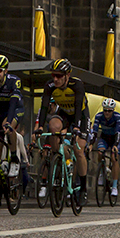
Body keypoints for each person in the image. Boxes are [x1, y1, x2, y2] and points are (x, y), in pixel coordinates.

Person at [35, 58, 88, 200]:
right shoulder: (50, 86)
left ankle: (83, 187)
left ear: (67, 75)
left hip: (80, 115)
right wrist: (40, 126)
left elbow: (78, 106)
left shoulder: (77, 85)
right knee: (53, 126)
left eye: (59, 76)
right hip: (64, 112)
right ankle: (58, 157)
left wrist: (76, 127)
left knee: (79, 150)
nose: (56, 79)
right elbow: (45, 107)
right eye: (53, 75)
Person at [0, 54, 28, 183]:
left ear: (5, 71)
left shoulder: (13, 81)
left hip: (15, 109)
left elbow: (13, 104)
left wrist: (9, 122)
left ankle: (15, 158)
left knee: (8, 127)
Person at [89, 97, 120, 198]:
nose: (107, 113)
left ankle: (114, 186)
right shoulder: (99, 116)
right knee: (100, 152)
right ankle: (101, 172)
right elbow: (95, 132)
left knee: (114, 158)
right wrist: (91, 143)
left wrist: (115, 145)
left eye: (109, 111)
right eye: (105, 110)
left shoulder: (117, 116)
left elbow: (118, 132)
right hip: (104, 137)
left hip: (115, 138)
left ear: (113, 110)